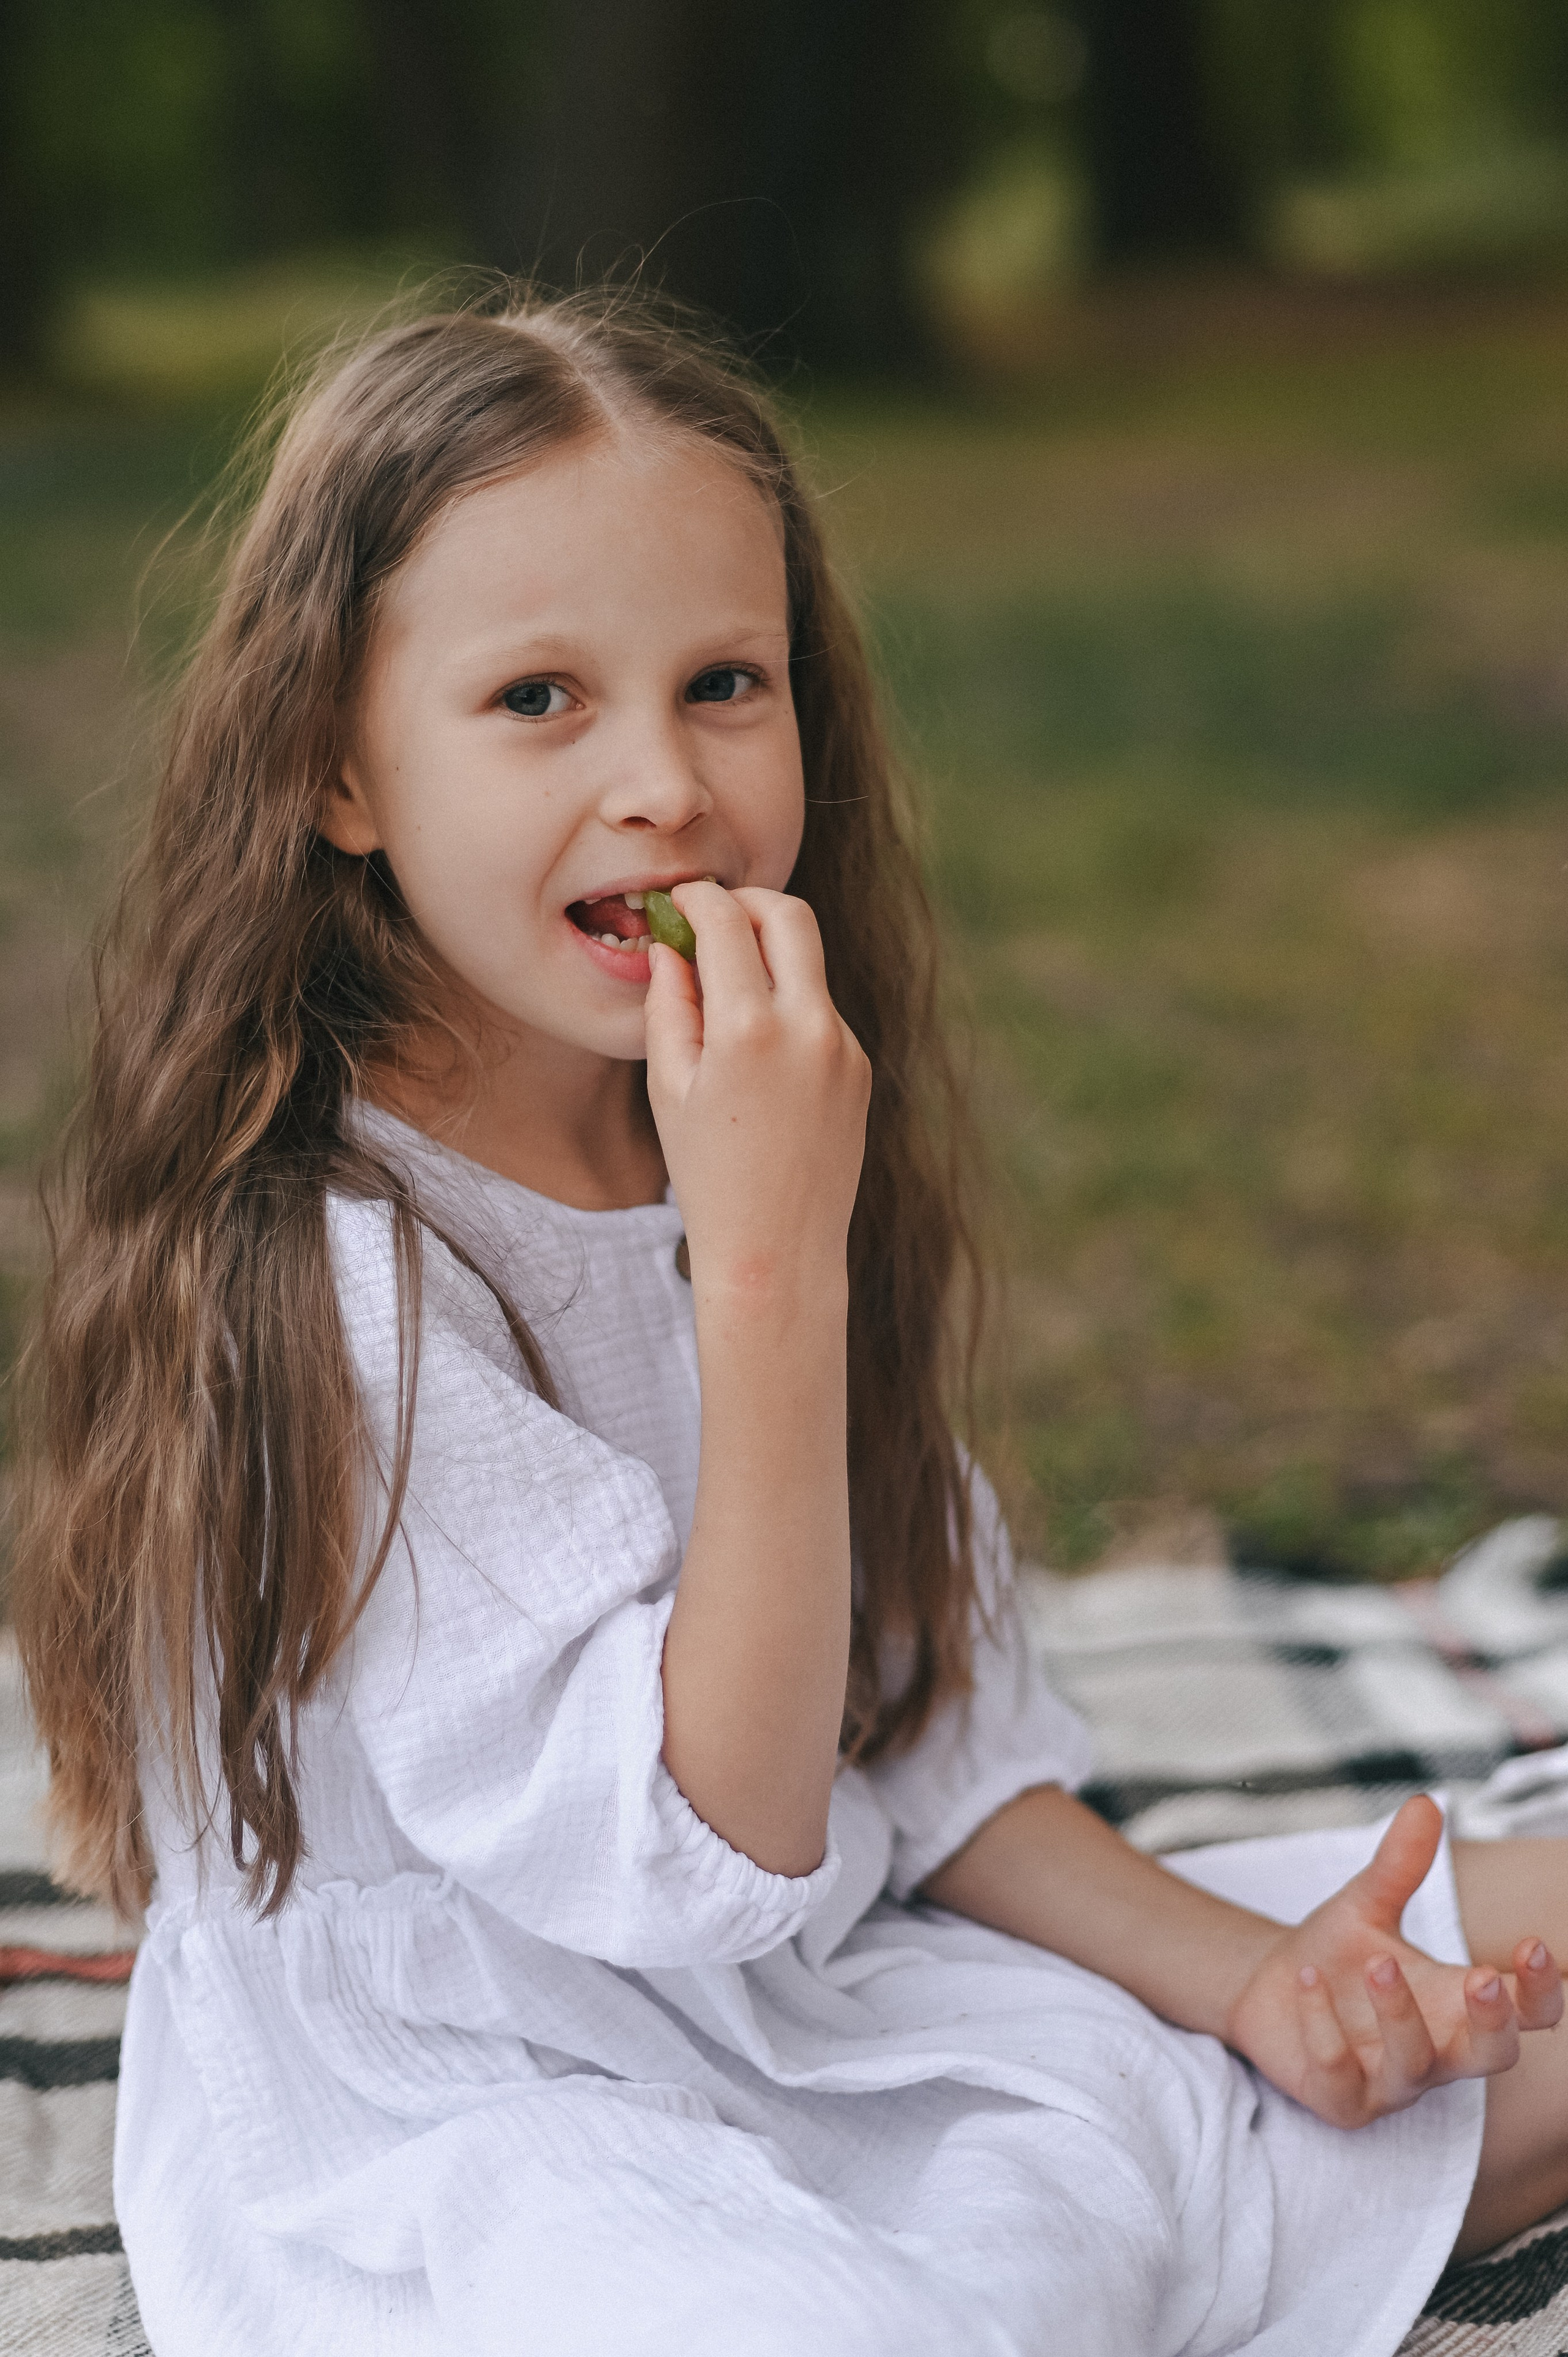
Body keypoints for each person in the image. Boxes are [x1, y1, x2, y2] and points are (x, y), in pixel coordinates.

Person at [13, 288, 1568, 2357]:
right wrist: (765, 1276)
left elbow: (911, 1731)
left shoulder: (714, 1122)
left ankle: (1133, 2202)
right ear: (337, 766)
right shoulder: (335, 1278)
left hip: (813, 1996)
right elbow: (707, 1846)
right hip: (496, 2107)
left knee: (1523, 1964)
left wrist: (1249, 1979)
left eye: (724, 682)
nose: (664, 782)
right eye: (540, 699)